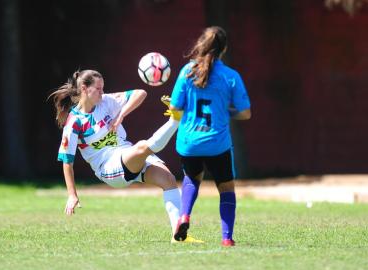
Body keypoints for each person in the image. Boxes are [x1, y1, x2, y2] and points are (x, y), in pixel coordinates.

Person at [48, 69, 202, 243]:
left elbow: (140, 93)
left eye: (103, 88)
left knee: (168, 179)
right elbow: (67, 161)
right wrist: (72, 195)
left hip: (125, 152)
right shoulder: (74, 122)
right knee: (142, 147)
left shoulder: (106, 101)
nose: (102, 92)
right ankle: (175, 120)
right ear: (84, 88)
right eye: (98, 88)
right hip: (107, 166)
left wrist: (121, 115)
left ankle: (179, 236)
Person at [168, 26, 251, 247]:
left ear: (200, 44)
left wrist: (182, 108)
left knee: (192, 179)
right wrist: (226, 111)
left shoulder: (187, 72)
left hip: (190, 143)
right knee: (226, 189)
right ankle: (227, 238)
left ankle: (184, 216)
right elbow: (245, 113)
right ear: (224, 49)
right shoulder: (231, 76)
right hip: (217, 143)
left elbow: (175, 106)